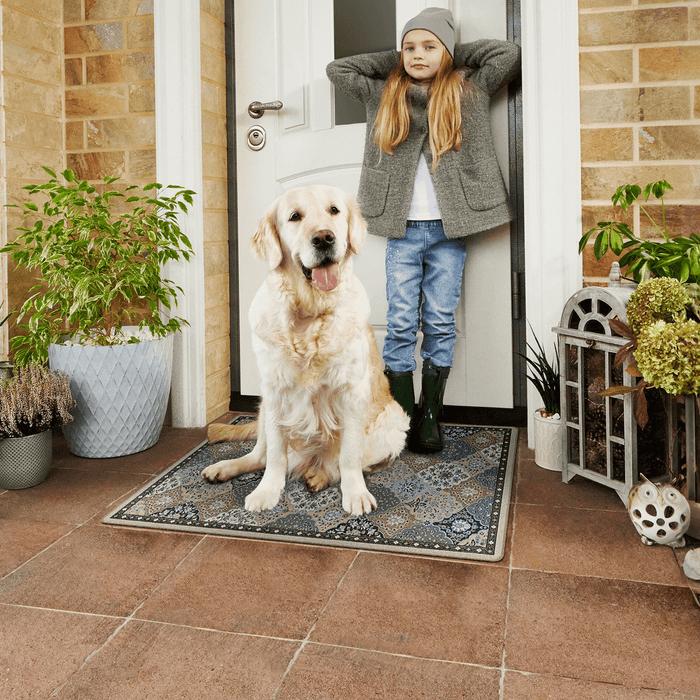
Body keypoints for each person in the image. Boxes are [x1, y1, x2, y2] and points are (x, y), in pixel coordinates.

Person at [326, 8, 520, 453]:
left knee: (437, 320)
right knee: (399, 323)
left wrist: (449, 54)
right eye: (409, 46)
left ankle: (431, 414)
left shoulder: (468, 89)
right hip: (403, 231)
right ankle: (404, 415)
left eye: (429, 46)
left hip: (450, 231)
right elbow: (339, 69)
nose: (417, 54)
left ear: (447, 53)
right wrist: (400, 58)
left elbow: (507, 53)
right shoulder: (383, 92)